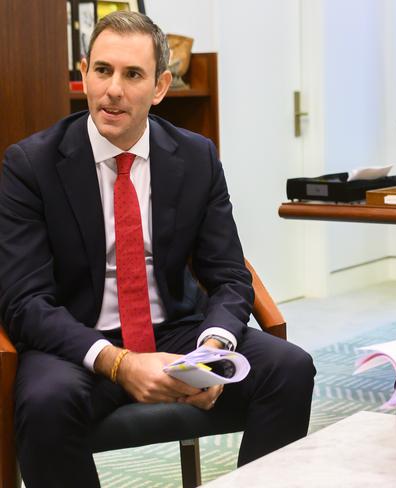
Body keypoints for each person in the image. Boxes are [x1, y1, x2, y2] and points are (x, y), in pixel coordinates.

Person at [0, 11, 315, 487]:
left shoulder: (196, 156)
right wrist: (119, 363)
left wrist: (211, 354)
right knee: (45, 404)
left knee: (290, 369)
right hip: (77, 341)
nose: (113, 90)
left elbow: (230, 276)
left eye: (133, 75)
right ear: (83, 72)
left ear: (161, 86)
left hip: (176, 333)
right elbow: (24, 303)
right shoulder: (30, 165)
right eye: (102, 70)